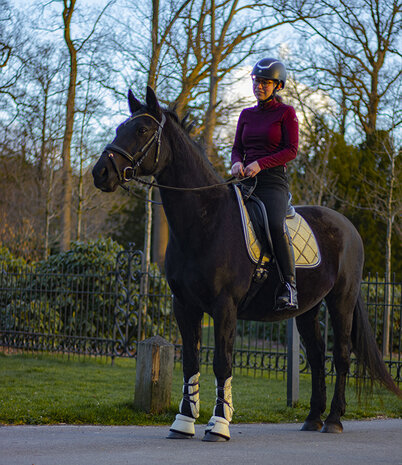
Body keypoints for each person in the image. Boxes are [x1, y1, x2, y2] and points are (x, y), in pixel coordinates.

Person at [231, 57, 298, 311]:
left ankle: (289, 286)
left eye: (265, 82)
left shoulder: (286, 113)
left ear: (277, 86)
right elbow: (237, 148)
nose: (259, 86)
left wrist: (261, 163)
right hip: (246, 180)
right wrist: (236, 163)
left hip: (272, 182)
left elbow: (291, 150)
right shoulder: (246, 115)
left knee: (273, 223)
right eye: (256, 81)